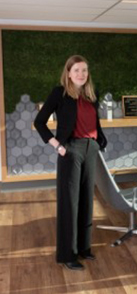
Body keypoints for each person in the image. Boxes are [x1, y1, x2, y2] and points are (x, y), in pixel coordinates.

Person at [34, 55, 107, 271]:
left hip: (91, 149)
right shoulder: (60, 93)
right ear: (68, 72)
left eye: (84, 70)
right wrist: (58, 145)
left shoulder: (92, 94)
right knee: (70, 204)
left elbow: (95, 122)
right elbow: (39, 122)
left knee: (86, 201)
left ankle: (84, 248)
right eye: (76, 70)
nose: (81, 74)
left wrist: (99, 142)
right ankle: (68, 254)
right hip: (71, 151)